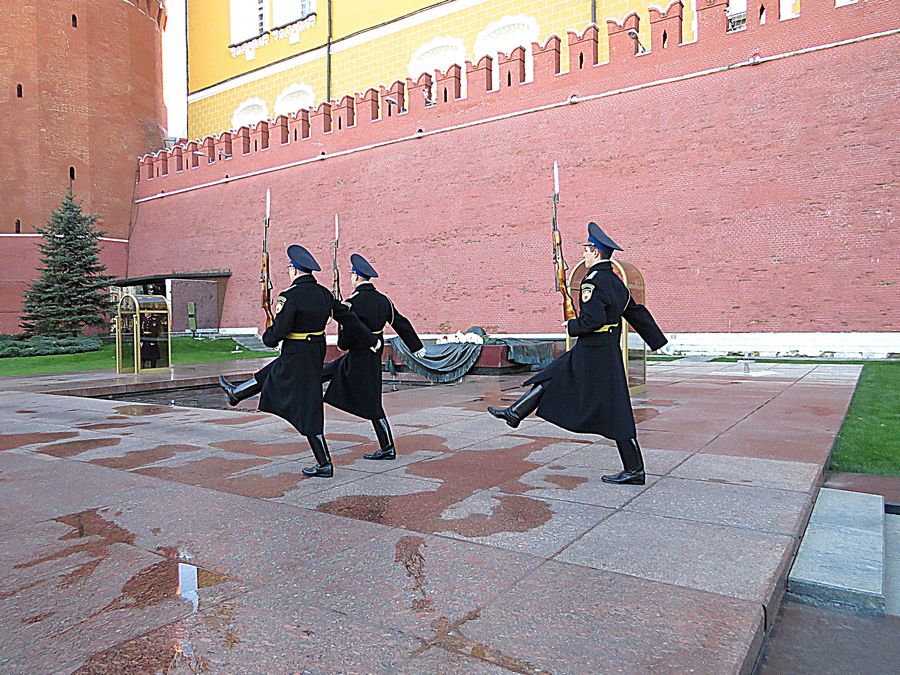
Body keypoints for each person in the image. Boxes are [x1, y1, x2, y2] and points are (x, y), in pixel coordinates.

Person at [488, 222, 667, 485]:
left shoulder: (592, 282)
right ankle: (516, 413)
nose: (583, 254)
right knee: (554, 375)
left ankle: (635, 469)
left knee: (614, 409)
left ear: (595, 252)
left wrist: (571, 326)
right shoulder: (617, 283)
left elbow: (592, 320)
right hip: (602, 351)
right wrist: (658, 341)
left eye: (586, 250)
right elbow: (635, 312)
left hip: (594, 352)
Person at [218, 245, 379, 478]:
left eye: (289, 268)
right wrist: (371, 339)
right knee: (274, 370)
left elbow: (280, 332)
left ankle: (324, 463)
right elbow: (349, 319)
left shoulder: (290, 296)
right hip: (314, 353)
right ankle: (237, 393)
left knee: (307, 406)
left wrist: (268, 337)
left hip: (297, 354)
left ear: (294, 270)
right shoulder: (324, 294)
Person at [322, 254, 427, 460]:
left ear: (355, 277)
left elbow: (346, 339)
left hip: (358, 355)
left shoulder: (351, 303)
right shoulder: (383, 300)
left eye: (352, 274)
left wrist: (342, 339)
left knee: (373, 404)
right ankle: (304, 383)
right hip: (373, 355)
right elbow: (401, 323)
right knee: (329, 372)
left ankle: (388, 448)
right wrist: (417, 347)